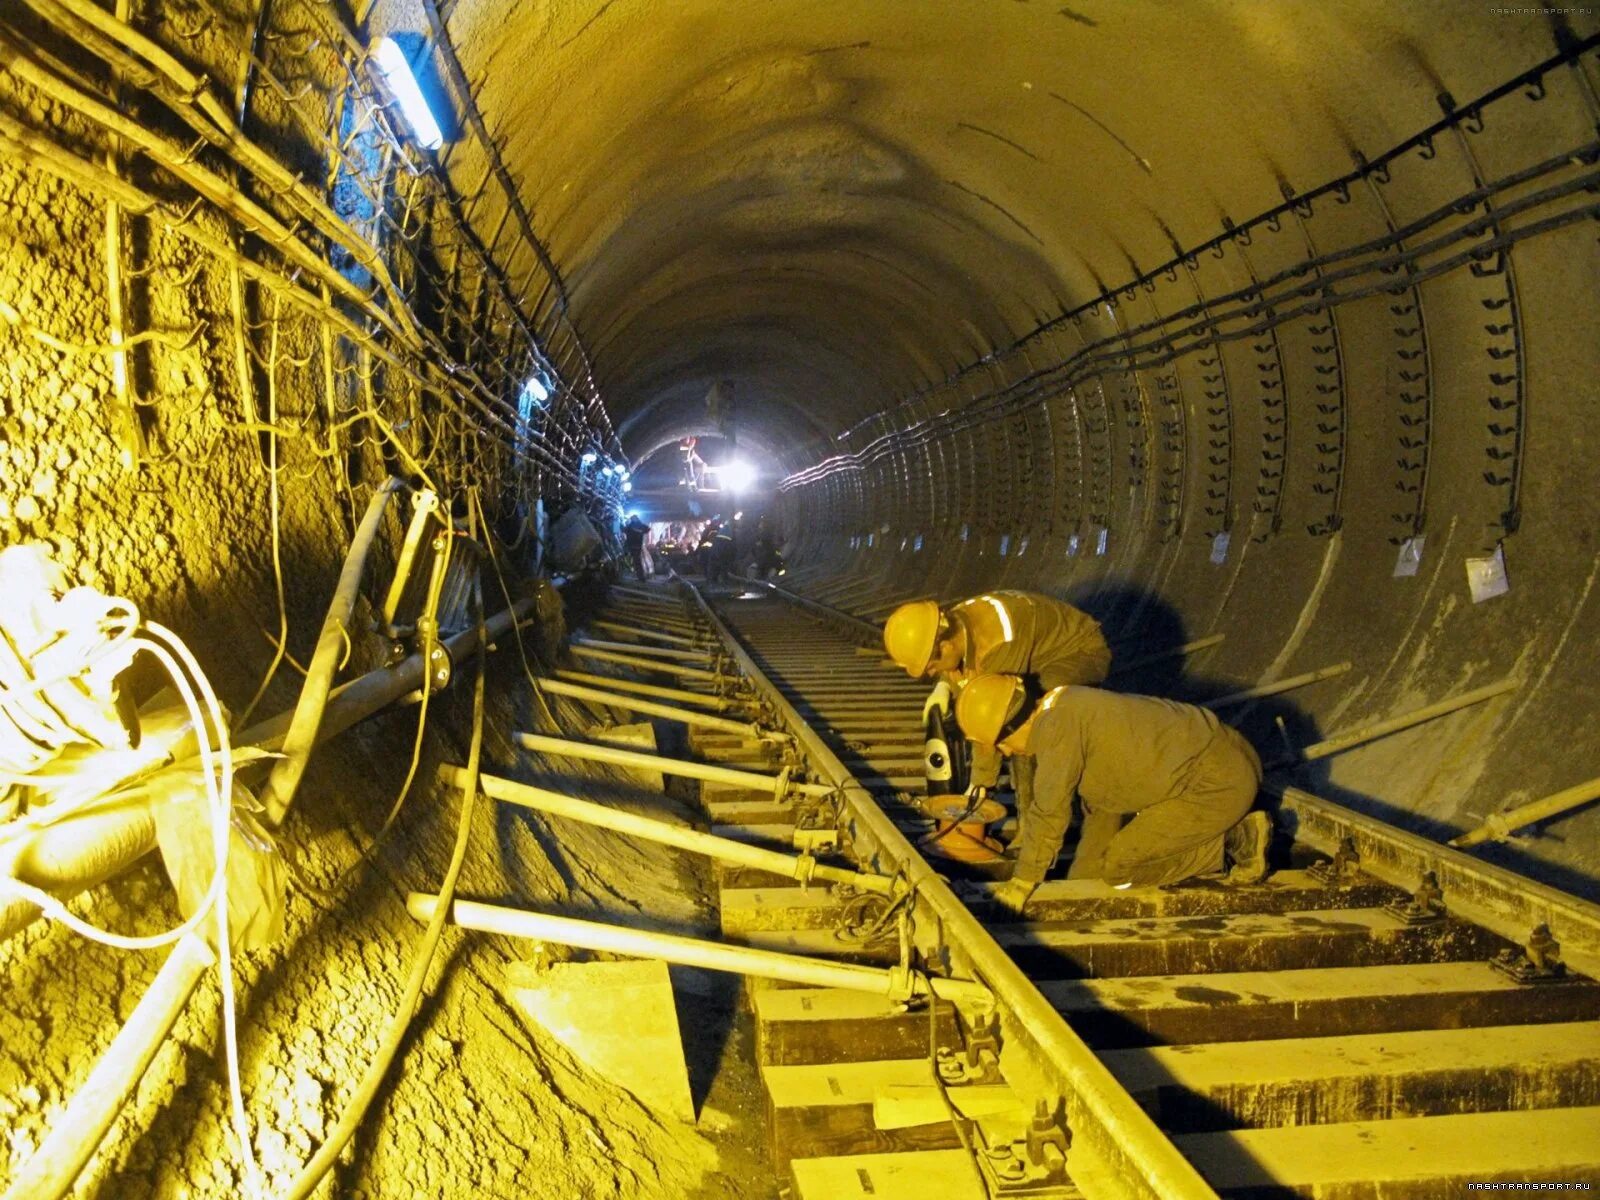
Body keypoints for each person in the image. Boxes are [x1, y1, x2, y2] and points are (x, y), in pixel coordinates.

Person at [954, 672, 1270, 915]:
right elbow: (1102, 807)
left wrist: (1022, 883)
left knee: (1122, 869)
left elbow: (1049, 809)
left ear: (1013, 727)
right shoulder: (1065, 704)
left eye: (1000, 744)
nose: (1005, 752)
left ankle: (1235, 842)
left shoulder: (1057, 731)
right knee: (1105, 864)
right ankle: (1226, 831)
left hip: (1215, 784)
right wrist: (1082, 882)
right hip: (1226, 758)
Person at [883, 591, 1113, 819]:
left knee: (1022, 724)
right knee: (1014, 719)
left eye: (931, 666)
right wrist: (944, 685)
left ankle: (1036, 819)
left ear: (945, 646)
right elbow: (965, 669)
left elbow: (994, 714)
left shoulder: (999, 642)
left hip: (1080, 652)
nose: (932, 672)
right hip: (1040, 651)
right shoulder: (951, 625)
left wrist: (981, 782)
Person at [621, 514, 651, 580]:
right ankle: (640, 576)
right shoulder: (636, 525)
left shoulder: (634, 526)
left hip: (634, 546)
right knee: (636, 561)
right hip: (635, 546)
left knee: (637, 562)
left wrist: (638, 531)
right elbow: (624, 530)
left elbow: (624, 529)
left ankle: (641, 577)